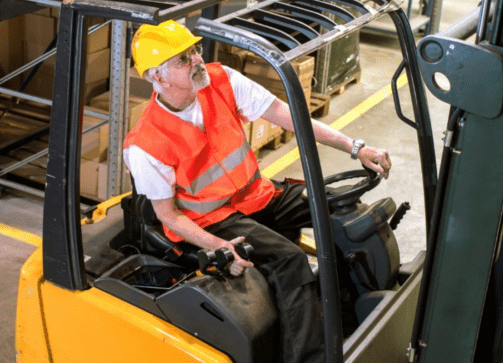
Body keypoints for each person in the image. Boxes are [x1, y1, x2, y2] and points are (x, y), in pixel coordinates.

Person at [123, 20, 392, 363]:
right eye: (182, 59)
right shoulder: (145, 144)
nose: (196, 61)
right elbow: (168, 216)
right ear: (157, 78)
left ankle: (346, 318)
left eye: (194, 50)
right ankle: (311, 358)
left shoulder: (221, 80)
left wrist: (355, 148)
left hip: (258, 195)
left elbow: (289, 116)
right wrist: (218, 246)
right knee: (289, 260)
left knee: (338, 210)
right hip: (212, 219)